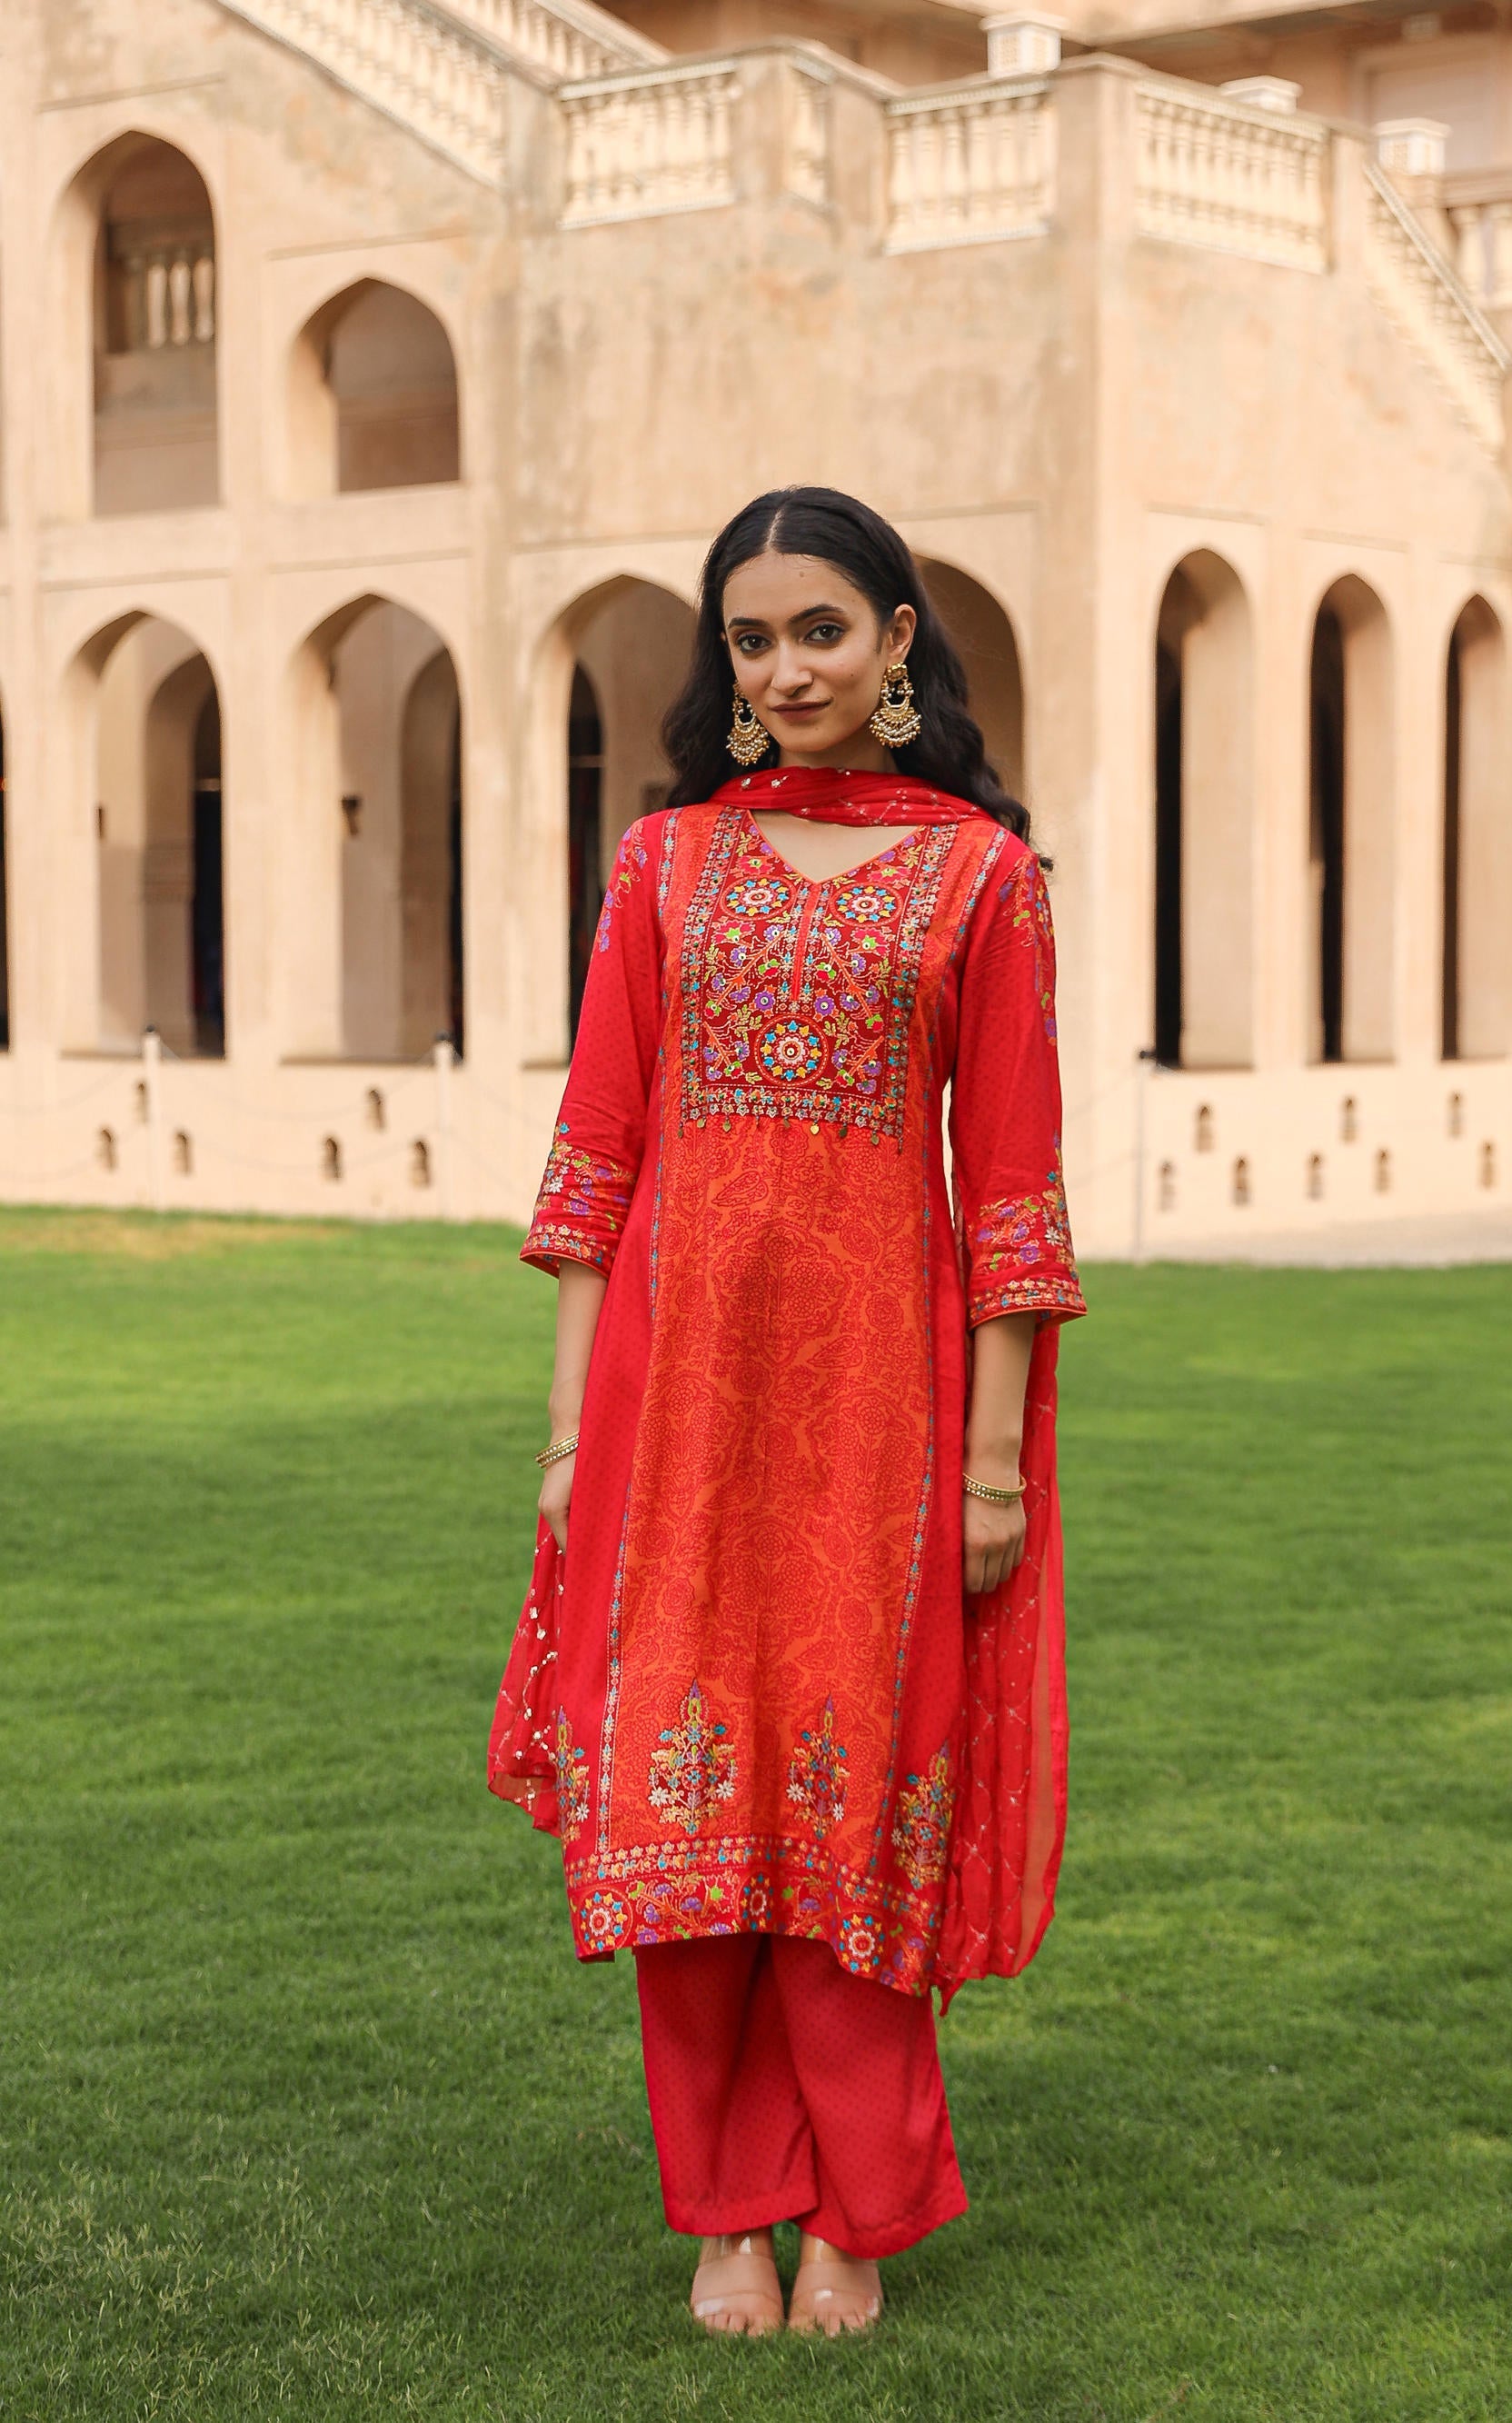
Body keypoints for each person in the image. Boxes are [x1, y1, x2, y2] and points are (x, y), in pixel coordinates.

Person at [489, 487, 1084, 2338]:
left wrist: (992, 1462)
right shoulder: (664, 868)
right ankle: (727, 2209)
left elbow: (1012, 1193)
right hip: (673, 1413)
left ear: (899, 640)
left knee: (849, 1818)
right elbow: (594, 1166)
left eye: (821, 628)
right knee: (685, 1820)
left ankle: (853, 2212)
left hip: (881, 1425)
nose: (787, 666)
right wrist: (573, 1438)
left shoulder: (981, 878)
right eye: (750, 639)